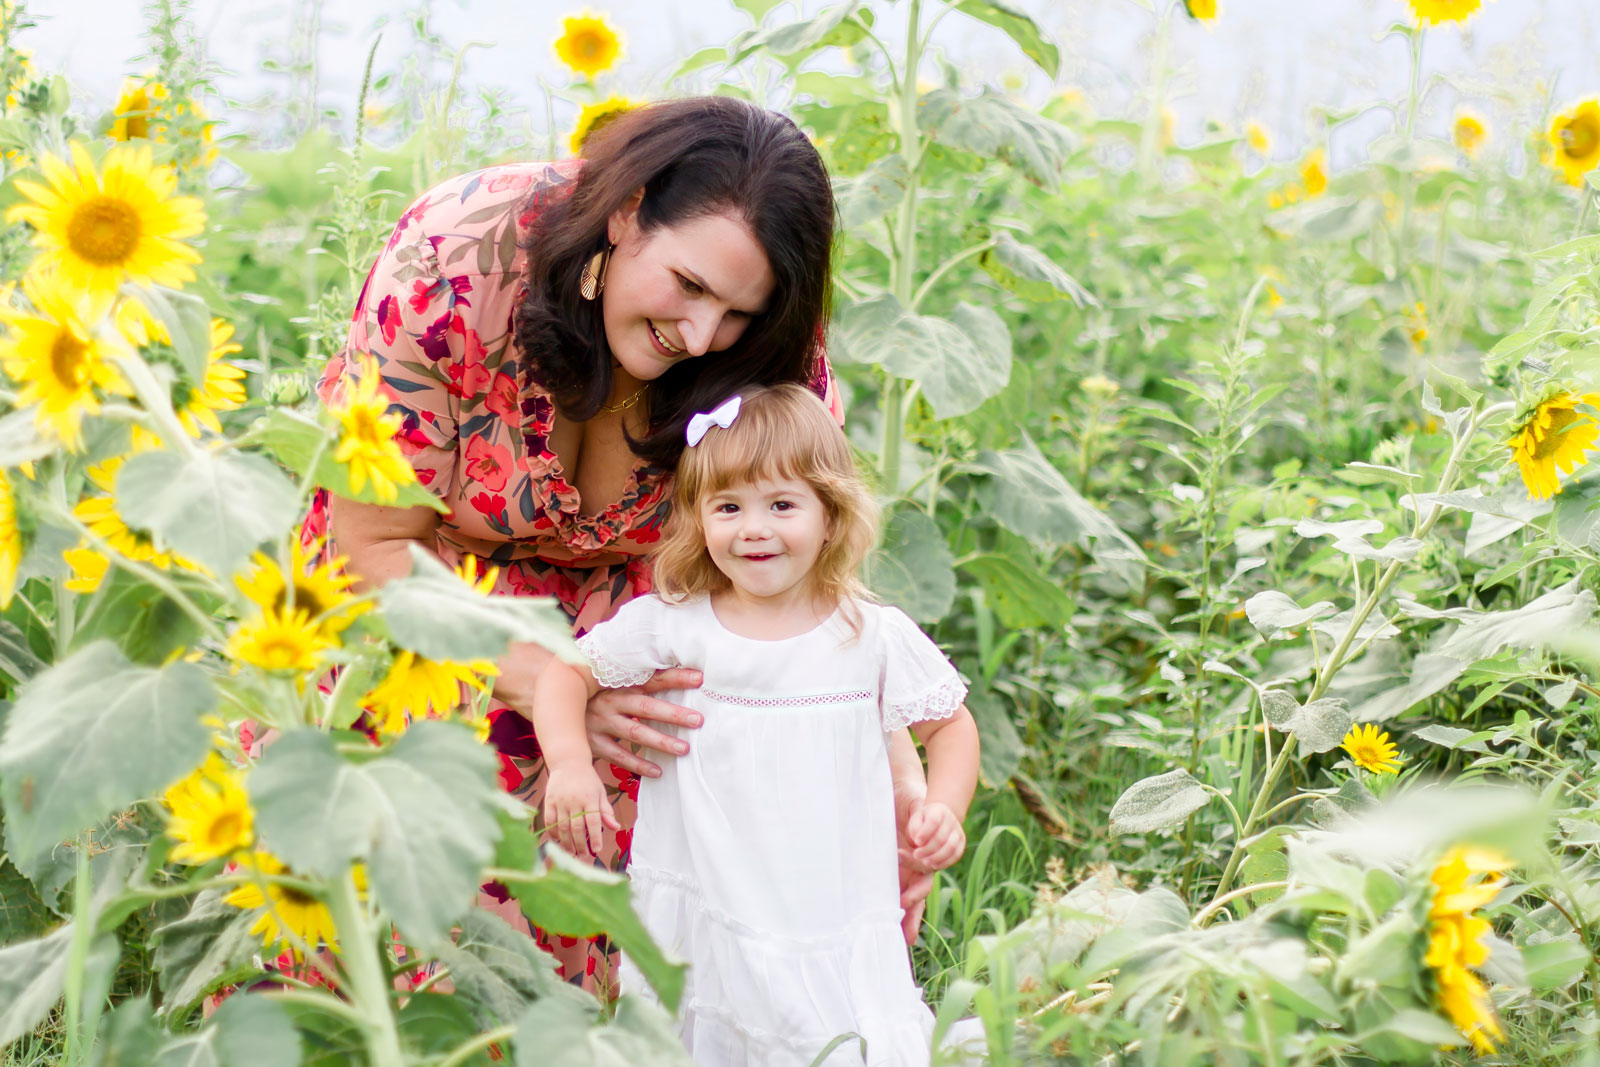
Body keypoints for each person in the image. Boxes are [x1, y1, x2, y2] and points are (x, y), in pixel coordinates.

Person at [304, 96, 937, 994]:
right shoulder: (452, 261)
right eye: (688, 285)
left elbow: (803, 580)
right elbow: (365, 546)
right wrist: (567, 690)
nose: (700, 336)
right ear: (627, 210)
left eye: (736, 313)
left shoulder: (774, 355)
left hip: (648, 627)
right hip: (420, 607)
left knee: (665, 951)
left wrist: (893, 780)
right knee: (400, 937)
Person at [532, 384, 982, 1065]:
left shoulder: (867, 634)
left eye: (781, 505)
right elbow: (566, 674)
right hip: (708, 897)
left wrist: (943, 806)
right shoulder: (677, 624)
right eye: (729, 506)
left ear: (830, 515)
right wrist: (568, 762)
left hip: (823, 895)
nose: (753, 528)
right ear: (699, 518)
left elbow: (950, 726)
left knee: (829, 1037)